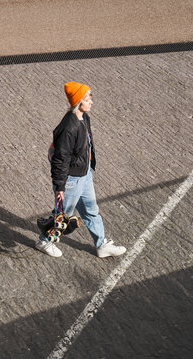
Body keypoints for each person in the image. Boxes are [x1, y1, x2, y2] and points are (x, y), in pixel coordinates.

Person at [36, 81, 127, 258]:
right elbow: (60, 160)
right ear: (78, 101)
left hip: (83, 175)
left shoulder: (84, 117)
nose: (91, 101)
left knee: (91, 210)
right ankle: (44, 241)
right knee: (62, 215)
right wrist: (60, 187)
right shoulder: (68, 127)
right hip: (71, 180)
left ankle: (101, 245)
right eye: (87, 98)